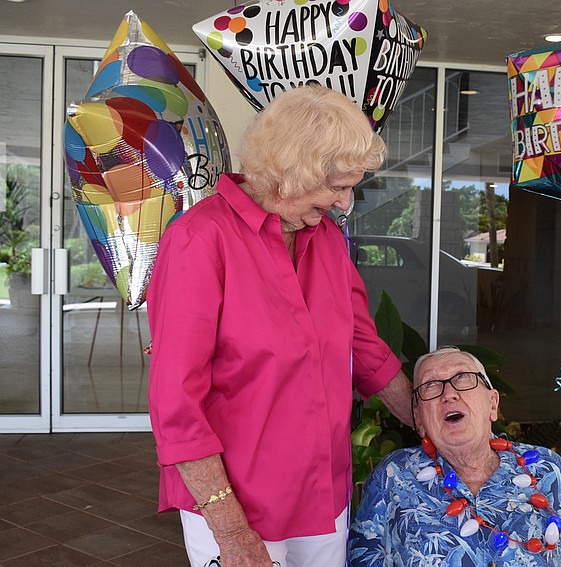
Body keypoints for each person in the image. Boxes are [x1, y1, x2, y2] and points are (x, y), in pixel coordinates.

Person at [147, 84, 412, 567]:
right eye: (336, 186)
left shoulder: (327, 239)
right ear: (289, 173)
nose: (344, 203)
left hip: (322, 492)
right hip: (240, 503)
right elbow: (176, 405)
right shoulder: (199, 240)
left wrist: (435, 420)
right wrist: (231, 532)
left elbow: (364, 346)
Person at [349, 347, 561, 567]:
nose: (449, 394)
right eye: (431, 385)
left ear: (492, 404)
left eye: (462, 378)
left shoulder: (547, 470)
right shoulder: (393, 476)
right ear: (420, 420)